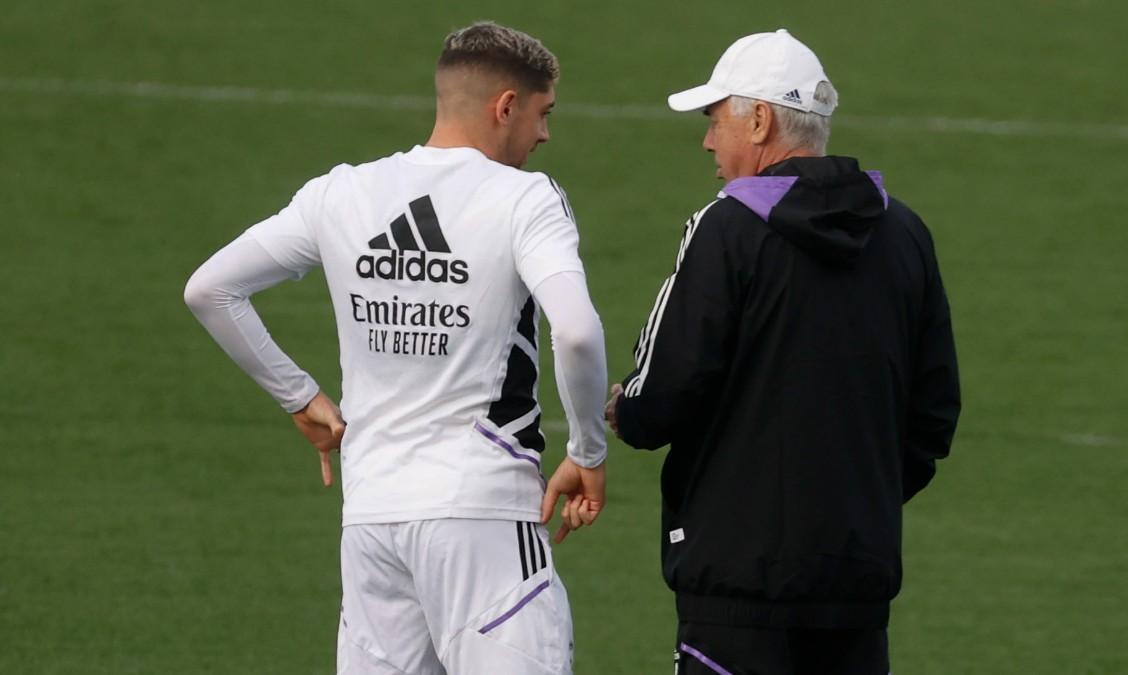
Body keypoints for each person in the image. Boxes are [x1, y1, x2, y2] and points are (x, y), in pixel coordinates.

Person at [184, 22, 607, 675]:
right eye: (543, 113)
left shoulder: (340, 192)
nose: (545, 134)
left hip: (373, 523)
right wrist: (587, 450)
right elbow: (576, 332)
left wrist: (300, 397)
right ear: (506, 106)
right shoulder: (526, 198)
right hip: (483, 520)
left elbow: (210, 290)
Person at [605, 29, 961, 674]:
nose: (708, 141)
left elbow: (663, 393)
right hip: (856, 582)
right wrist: (859, 501)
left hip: (735, 587)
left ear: (760, 121)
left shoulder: (725, 228)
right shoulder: (906, 233)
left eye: (715, 120)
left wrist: (625, 411)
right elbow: (933, 415)